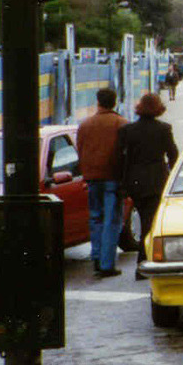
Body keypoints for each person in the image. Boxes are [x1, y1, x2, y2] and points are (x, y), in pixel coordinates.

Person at [118, 92, 179, 280]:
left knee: (145, 220)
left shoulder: (128, 130)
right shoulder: (164, 129)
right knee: (149, 224)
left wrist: (125, 184)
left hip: (135, 182)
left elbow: (122, 159)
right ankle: (143, 265)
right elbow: (173, 155)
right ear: (158, 108)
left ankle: (144, 263)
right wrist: (168, 172)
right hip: (156, 181)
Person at [76, 87, 126, 278]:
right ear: (114, 102)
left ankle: (96, 257)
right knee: (111, 221)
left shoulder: (85, 125)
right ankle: (107, 264)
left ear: (98, 102)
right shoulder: (121, 123)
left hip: (92, 178)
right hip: (112, 178)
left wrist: (86, 173)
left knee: (95, 218)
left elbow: (80, 151)